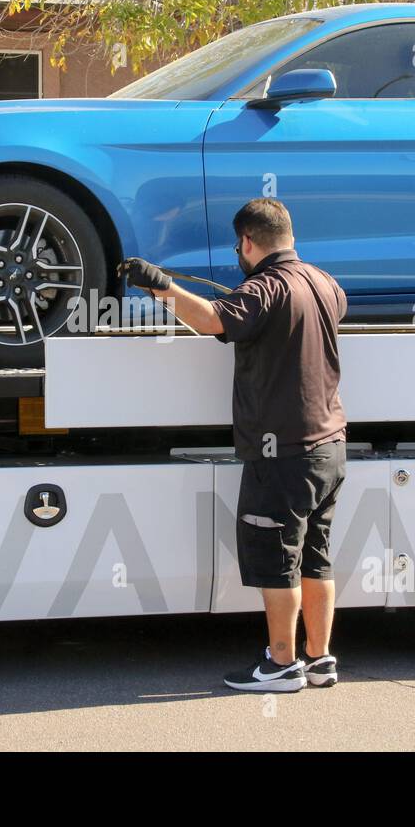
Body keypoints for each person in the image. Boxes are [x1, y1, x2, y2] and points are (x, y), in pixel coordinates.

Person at [124, 197, 348, 692]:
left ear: (248, 241)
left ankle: (282, 666)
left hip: (283, 451)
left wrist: (160, 286)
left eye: (237, 245)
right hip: (330, 445)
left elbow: (212, 320)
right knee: (317, 554)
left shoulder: (265, 286)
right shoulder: (325, 284)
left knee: (278, 558)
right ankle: (320, 658)